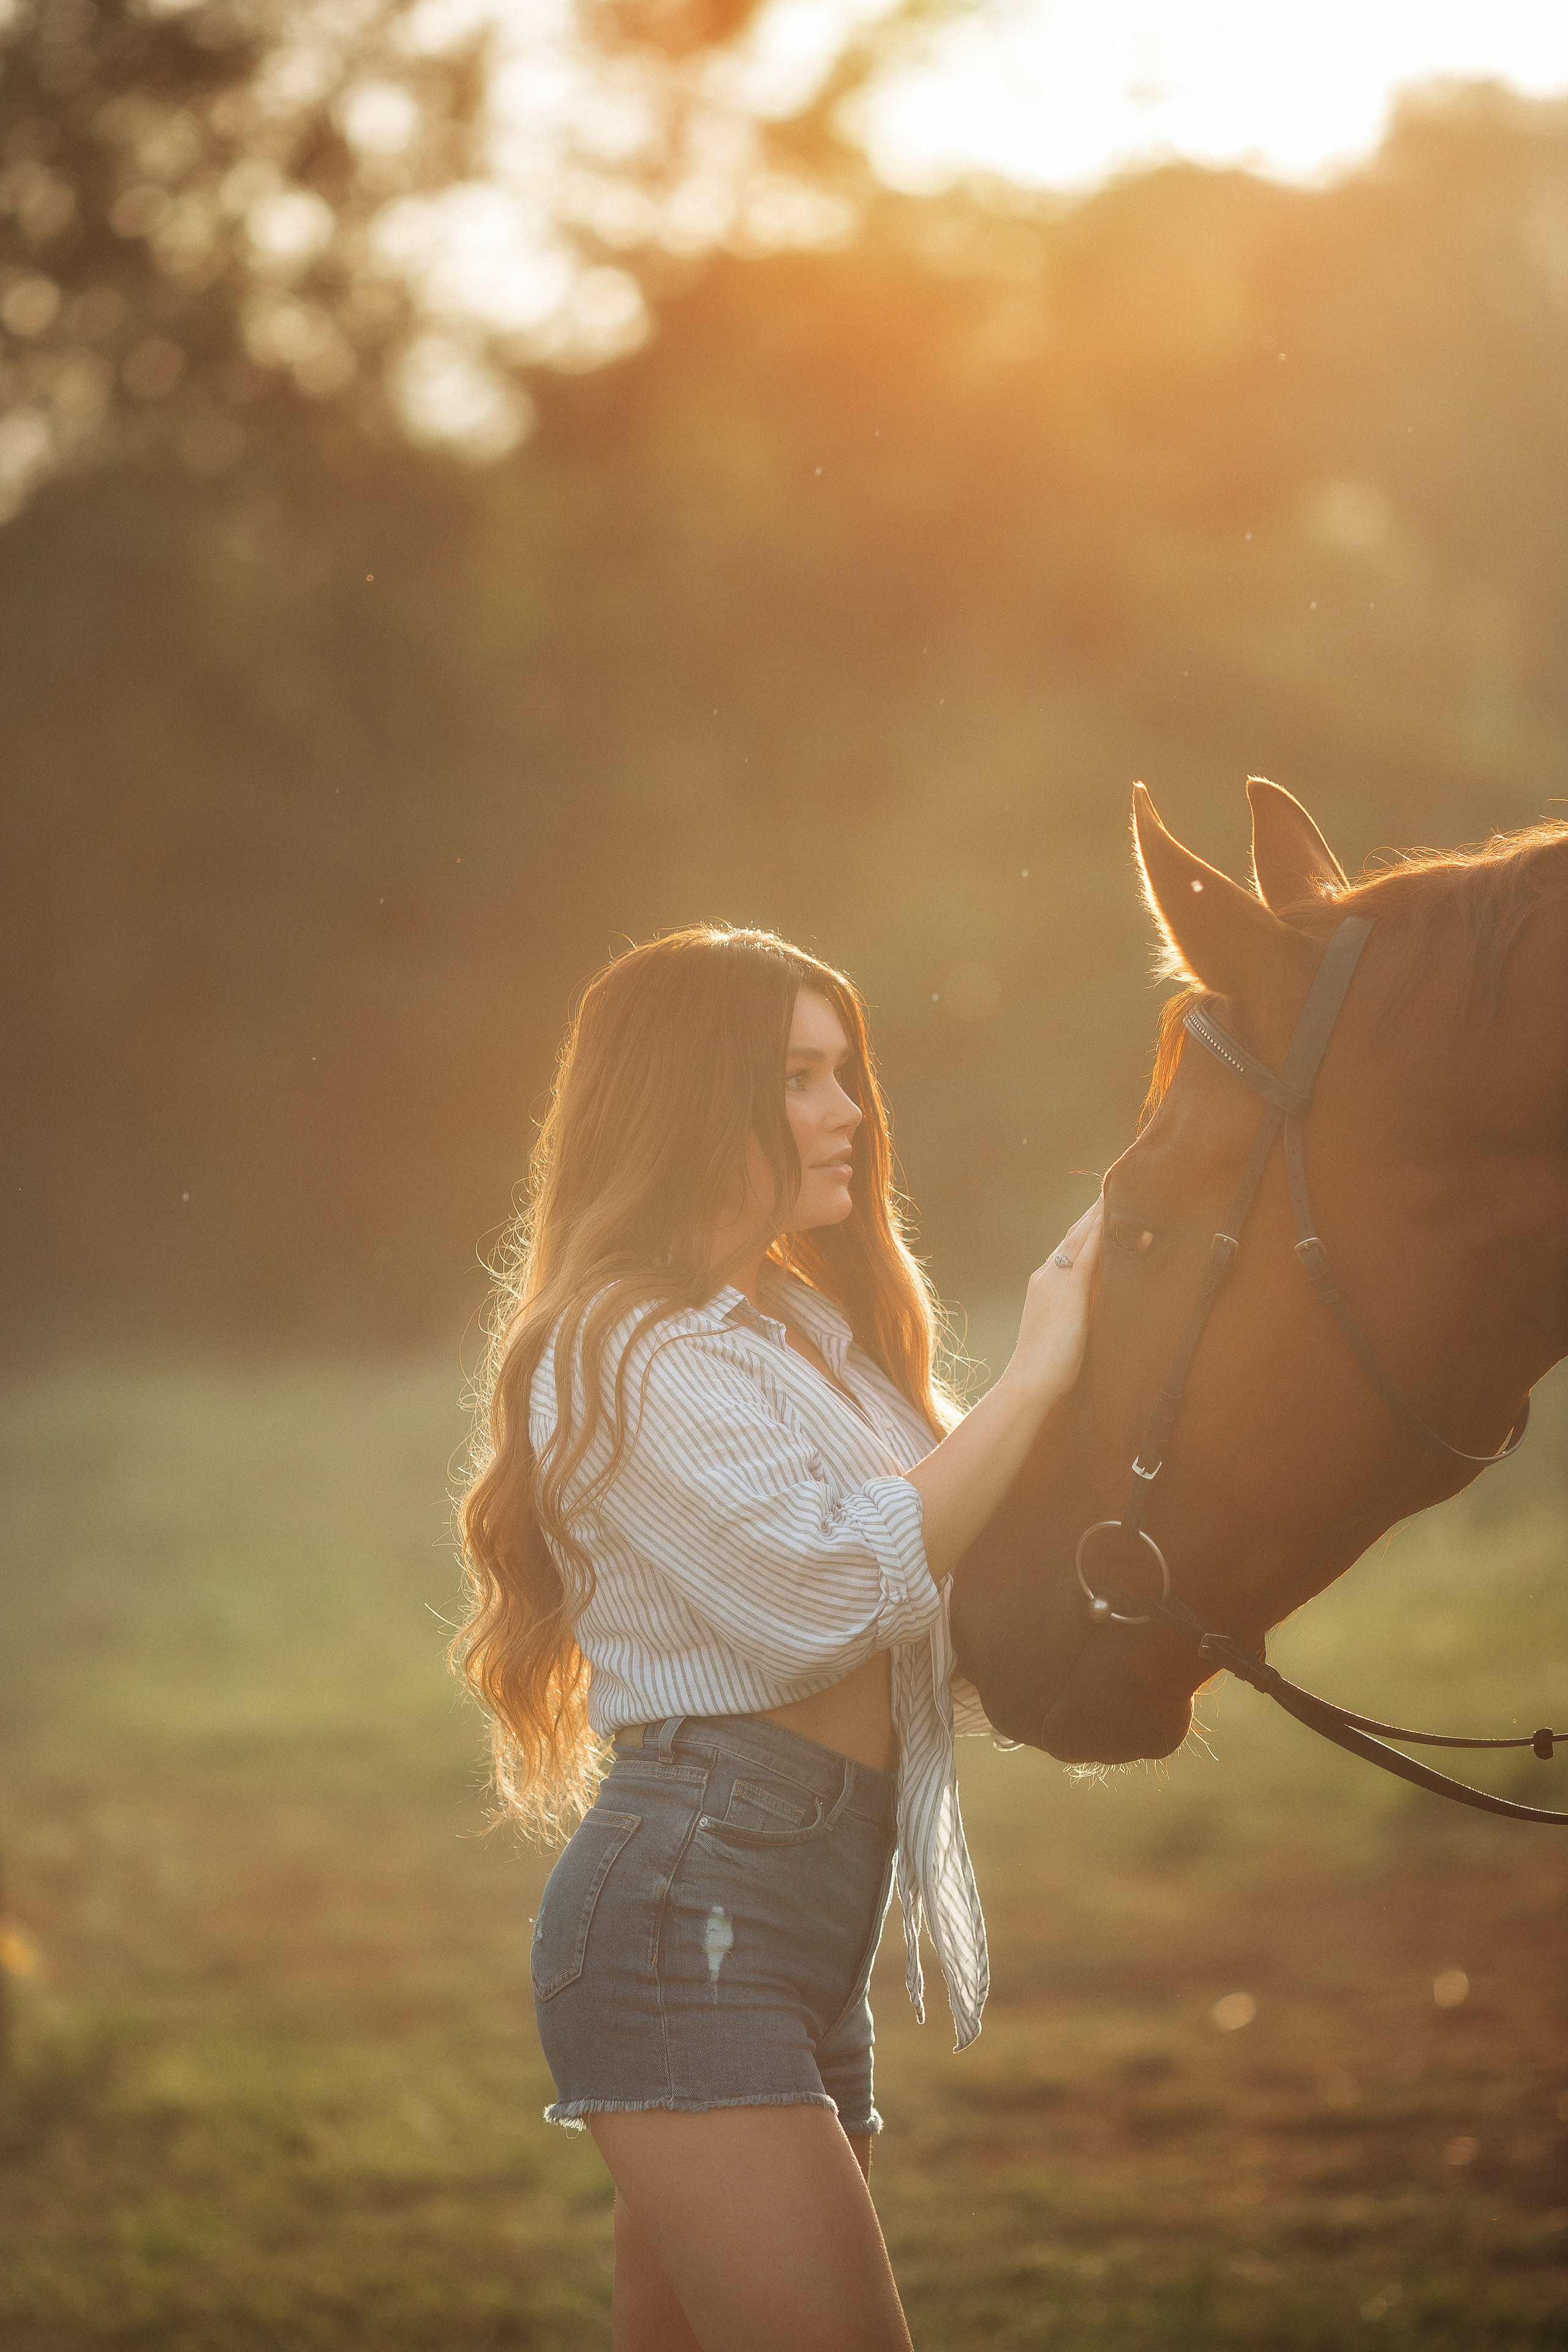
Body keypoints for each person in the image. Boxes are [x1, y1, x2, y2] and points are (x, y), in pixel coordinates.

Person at [454, 925, 1101, 2352]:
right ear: (693, 1100)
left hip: (803, 1914)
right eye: (800, 1077)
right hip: (690, 1906)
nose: (848, 1111)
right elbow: (824, 1595)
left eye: (844, 1073)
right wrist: (1040, 1374)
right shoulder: (620, 1347)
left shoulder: (804, 1328)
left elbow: (953, 1570)